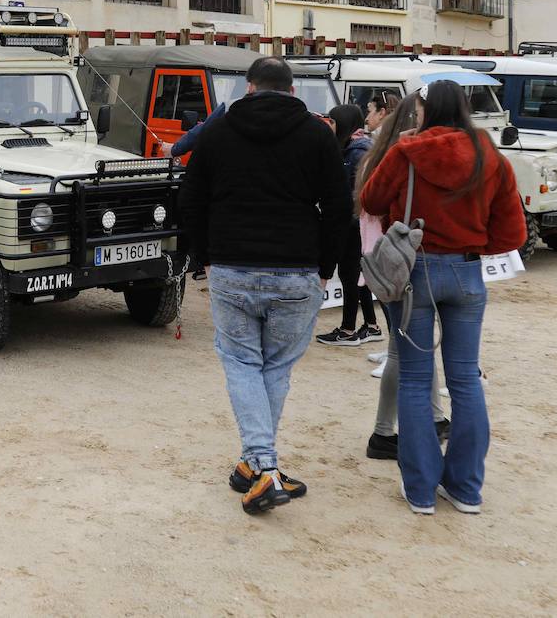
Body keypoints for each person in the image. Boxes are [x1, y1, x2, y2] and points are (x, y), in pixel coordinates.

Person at [179, 56, 351, 515]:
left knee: (241, 363)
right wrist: (326, 266)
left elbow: (190, 198)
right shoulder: (318, 134)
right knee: (274, 368)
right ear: (293, 91)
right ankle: (261, 466)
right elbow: (338, 205)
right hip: (297, 268)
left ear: (249, 87)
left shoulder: (217, 131)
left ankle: (258, 467)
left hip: (232, 265)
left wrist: (204, 258)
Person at [361, 80, 526, 515]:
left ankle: (420, 491)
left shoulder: (406, 151)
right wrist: (471, 246)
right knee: (466, 381)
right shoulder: (490, 154)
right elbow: (513, 233)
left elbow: (371, 199)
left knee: (415, 380)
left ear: (424, 111)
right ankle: (466, 488)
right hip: (468, 273)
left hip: (414, 271)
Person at [356, 95, 450, 461]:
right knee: (403, 349)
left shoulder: (377, 156)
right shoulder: (400, 160)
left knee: (412, 345)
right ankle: (383, 433)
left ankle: (436, 418)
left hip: (382, 262)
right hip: (397, 264)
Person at [316, 104, 382, 346]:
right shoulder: (353, 147)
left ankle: (347, 330)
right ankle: (372, 326)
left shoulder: (357, 152)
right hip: (356, 222)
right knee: (358, 274)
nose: (329, 126)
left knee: (349, 274)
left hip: (353, 223)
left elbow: (353, 193)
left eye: (332, 122)